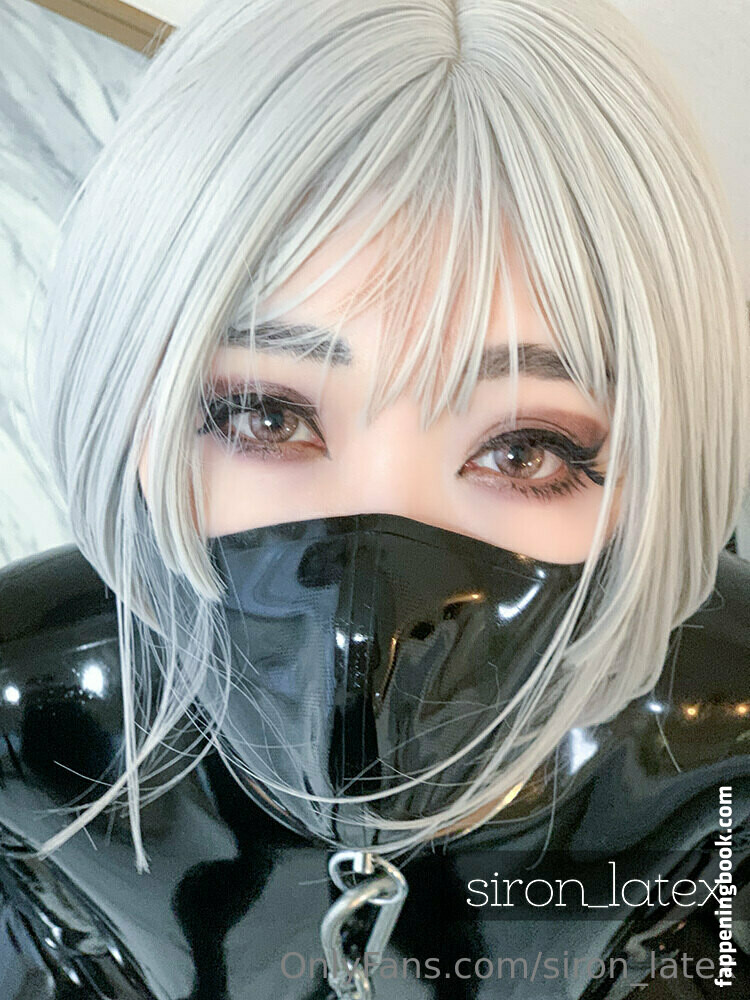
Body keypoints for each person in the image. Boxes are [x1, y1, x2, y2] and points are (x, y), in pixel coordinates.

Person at [1, 0, 748, 996]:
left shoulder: (721, 730)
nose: (369, 624)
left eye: (525, 449)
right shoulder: (32, 716)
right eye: (266, 415)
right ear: (131, 404)